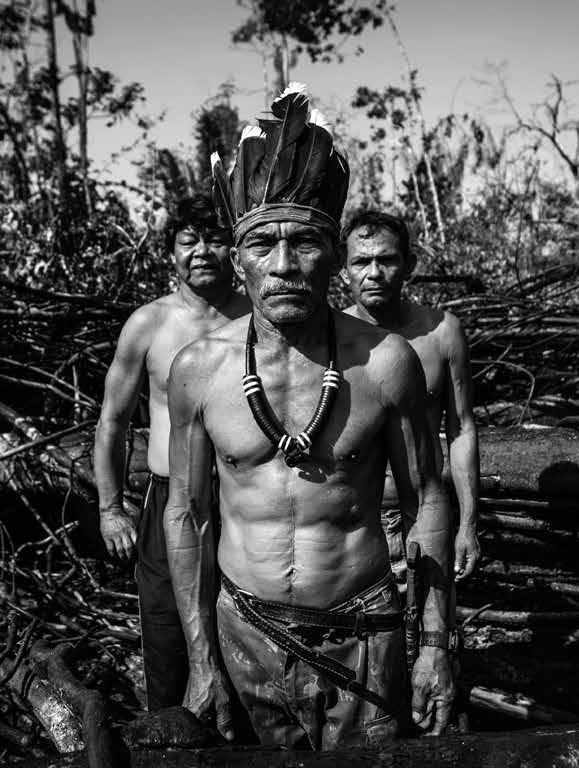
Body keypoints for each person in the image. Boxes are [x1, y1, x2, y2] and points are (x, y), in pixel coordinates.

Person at [164, 84, 455, 750]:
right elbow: (186, 513)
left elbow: (428, 501)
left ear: (334, 253)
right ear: (237, 257)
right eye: (262, 244)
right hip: (245, 632)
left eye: (306, 243)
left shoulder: (386, 364)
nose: (285, 265)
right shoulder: (200, 369)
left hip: (364, 632)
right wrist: (201, 655)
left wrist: (435, 642)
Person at [93, 195, 249, 712]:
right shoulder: (149, 325)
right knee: (166, 636)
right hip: (166, 503)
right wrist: (111, 508)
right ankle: (171, 736)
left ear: (236, 249)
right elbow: (112, 422)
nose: (203, 251)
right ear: (171, 255)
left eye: (216, 239)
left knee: (243, 632)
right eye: (189, 241)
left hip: (240, 498)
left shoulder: (259, 320)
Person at [342, 211, 480, 588]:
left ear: (409, 265)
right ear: (343, 271)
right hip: (356, 522)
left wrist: (467, 523)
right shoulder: (332, 342)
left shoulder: (441, 333)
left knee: (432, 640)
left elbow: (462, 429)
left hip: (426, 512)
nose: (374, 272)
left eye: (386, 260)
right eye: (361, 262)